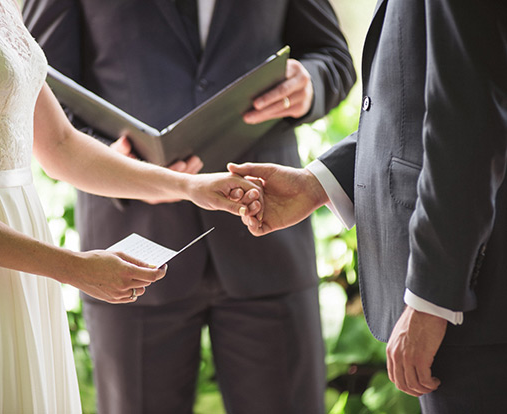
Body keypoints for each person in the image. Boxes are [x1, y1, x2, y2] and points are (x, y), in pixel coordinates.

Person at [0, 0, 263, 412]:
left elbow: (62, 146)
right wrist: (76, 267)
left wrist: (189, 186)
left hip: (23, 252)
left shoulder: (0, 4)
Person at [23, 1, 355, 413]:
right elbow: (33, 78)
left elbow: (333, 58)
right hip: (131, 250)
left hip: (265, 240)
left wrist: (311, 84)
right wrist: (105, 160)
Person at [228, 0, 507, 412]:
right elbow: (417, 106)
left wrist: (432, 301)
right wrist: (315, 184)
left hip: (477, 306)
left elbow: (469, 118)